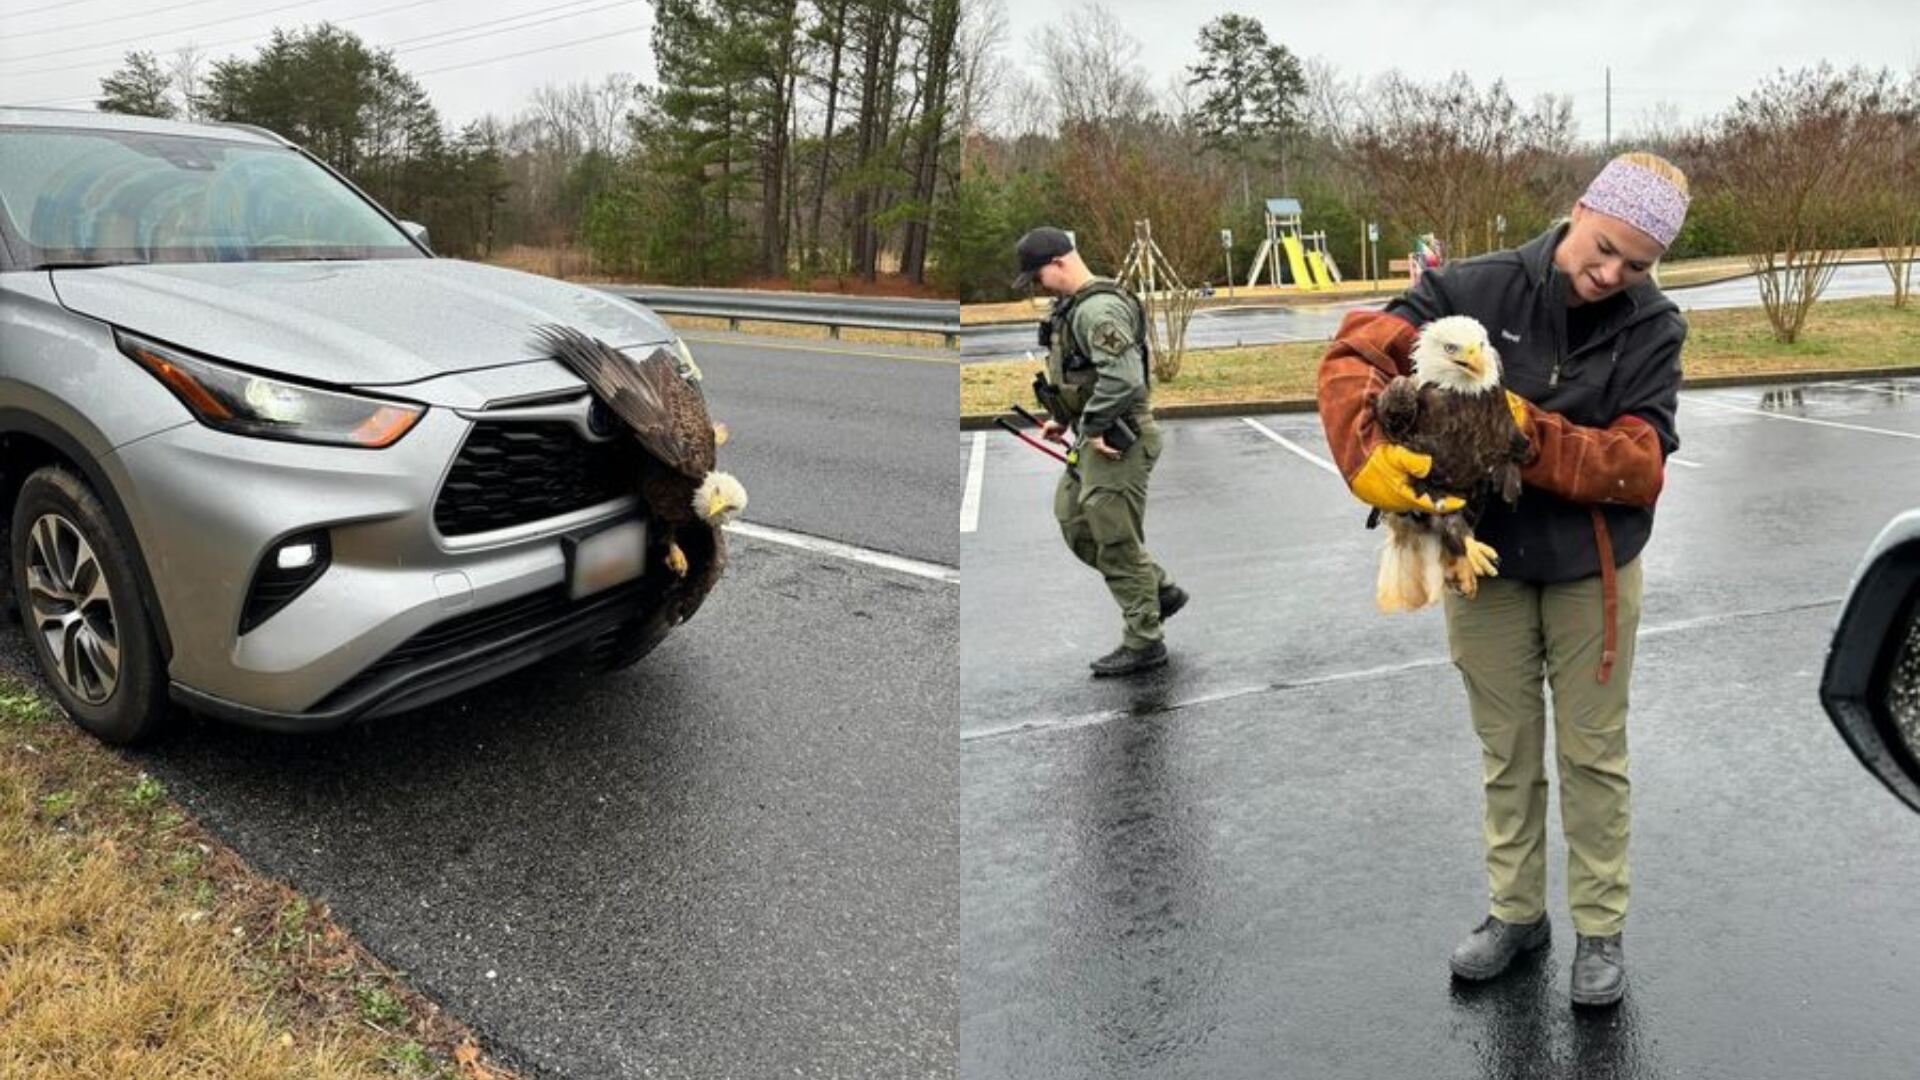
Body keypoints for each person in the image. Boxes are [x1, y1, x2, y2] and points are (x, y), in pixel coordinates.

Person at [1316, 152, 1690, 1007]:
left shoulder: (1653, 326)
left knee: (1594, 756)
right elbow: (1354, 353)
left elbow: (1638, 462)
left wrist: (1526, 434)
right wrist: (1363, 452)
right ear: (1580, 208)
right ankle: (1516, 915)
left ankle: (1600, 929)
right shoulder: (1470, 290)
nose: (1609, 275)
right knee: (1506, 751)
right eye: (1602, 248)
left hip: (1591, 571)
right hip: (1476, 560)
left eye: (1635, 264)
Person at [1013, 226, 1187, 677]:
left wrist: (1089, 424)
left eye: (1037, 276)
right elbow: (1086, 377)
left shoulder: (1100, 310)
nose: (1036, 286)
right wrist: (1066, 418)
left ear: (1058, 263)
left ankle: (1144, 639)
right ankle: (1158, 589)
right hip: (1097, 436)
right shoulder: (1074, 309)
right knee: (1074, 521)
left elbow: (1125, 380)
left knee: (1115, 539)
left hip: (1118, 440)